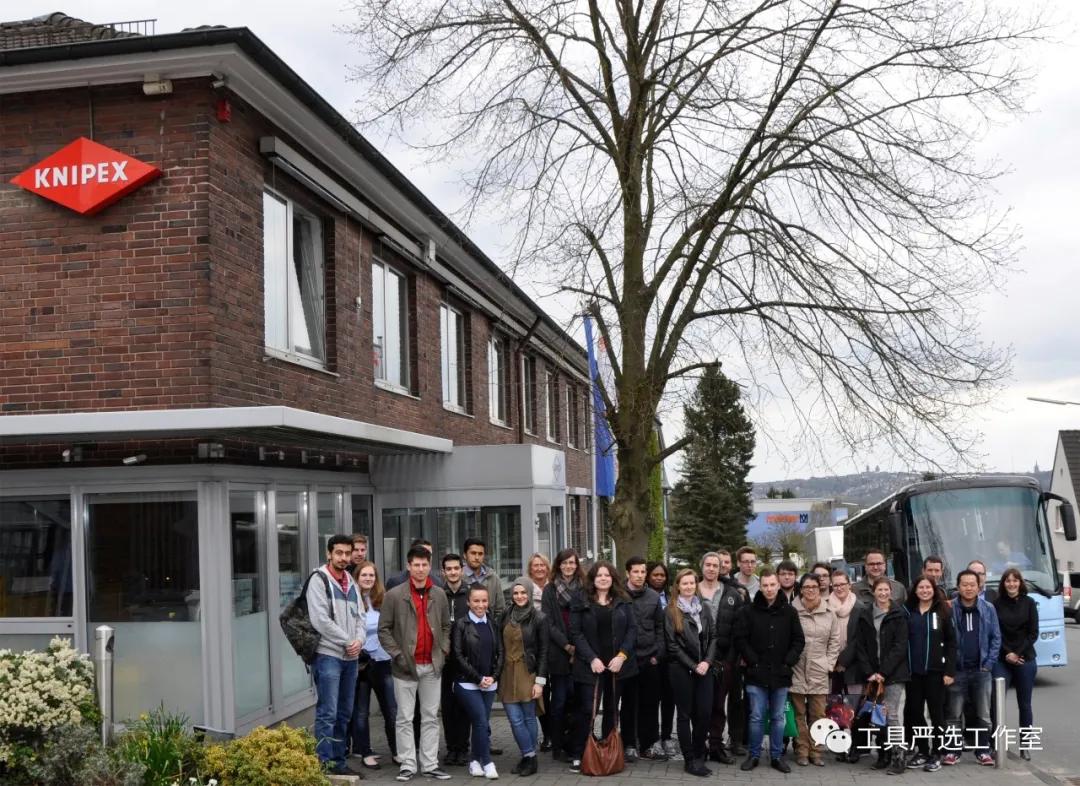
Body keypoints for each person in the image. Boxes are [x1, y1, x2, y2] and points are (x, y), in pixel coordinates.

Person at [378, 544, 452, 781]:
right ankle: (408, 764)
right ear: (408, 566)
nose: (420, 569)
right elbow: (384, 630)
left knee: (431, 717)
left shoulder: (439, 594)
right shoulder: (394, 595)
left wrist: (443, 649)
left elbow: (445, 626)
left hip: (432, 666)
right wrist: (398, 655)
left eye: (424, 565)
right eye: (416, 565)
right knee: (404, 718)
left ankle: (429, 764)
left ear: (430, 567)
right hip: (404, 667)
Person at [568, 560, 637, 773]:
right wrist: (591, 658)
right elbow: (576, 633)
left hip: (617, 667)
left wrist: (622, 656)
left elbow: (632, 630)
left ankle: (608, 752)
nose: (603, 578)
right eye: (599, 575)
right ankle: (579, 752)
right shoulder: (580, 600)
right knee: (587, 710)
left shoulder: (623, 599)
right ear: (593, 579)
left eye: (607, 575)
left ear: (613, 578)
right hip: (590, 667)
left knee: (611, 710)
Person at [734, 568, 804, 773]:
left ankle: (776, 756)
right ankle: (754, 755)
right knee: (756, 717)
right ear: (760, 586)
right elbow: (741, 639)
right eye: (765, 585)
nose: (769, 589)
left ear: (778, 584)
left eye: (772, 584)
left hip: (781, 673)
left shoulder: (790, 612)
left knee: (777, 717)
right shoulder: (748, 611)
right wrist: (752, 661)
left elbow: (798, 640)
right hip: (756, 674)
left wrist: (788, 662)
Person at [307, 535, 365, 776]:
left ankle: (339, 763)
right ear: (329, 553)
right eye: (338, 553)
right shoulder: (319, 580)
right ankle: (323, 765)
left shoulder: (350, 581)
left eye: (347, 553)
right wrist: (347, 640)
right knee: (327, 713)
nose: (343, 557)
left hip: (350, 658)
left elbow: (360, 616)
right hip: (328, 656)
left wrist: (359, 641)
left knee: (344, 714)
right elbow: (320, 620)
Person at [943, 569, 1000, 767]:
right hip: (956, 670)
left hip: (981, 670)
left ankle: (983, 750)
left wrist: (988, 664)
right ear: (958, 587)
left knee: (983, 714)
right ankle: (952, 750)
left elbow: (996, 638)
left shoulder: (988, 608)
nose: (968, 588)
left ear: (979, 587)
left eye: (972, 584)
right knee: (954, 715)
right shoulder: (949, 608)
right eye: (964, 584)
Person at [853, 576, 910, 774]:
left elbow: (900, 646)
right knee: (877, 716)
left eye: (887, 590)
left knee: (891, 714)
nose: (884, 593)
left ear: (891, 592)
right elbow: (860, 646)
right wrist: (870, 672)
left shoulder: (899, 614)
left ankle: (899, 756)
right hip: (872, 674)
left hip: (893, 674)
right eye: (880, 590)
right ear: (874, 592)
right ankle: (883, 755)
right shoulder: (865, 613)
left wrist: (883, 672)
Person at [664, 568, 717, 777]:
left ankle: (698, 753)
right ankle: (690, 759)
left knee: (704, 713)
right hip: (681, 669)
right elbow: (672, 646)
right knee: (684, 714)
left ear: (696, 585)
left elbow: (713, 637)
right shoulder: (670, 611)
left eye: (691, 583)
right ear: (678, 586)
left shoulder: (703, 607)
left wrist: (707, 662)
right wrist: (693, 665)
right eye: (684, 583)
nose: (688, 587)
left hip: (704, 668)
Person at [903, 574, 956, 772]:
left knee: (937, 715)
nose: (924, 591)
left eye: (928, 587)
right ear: (915, 591)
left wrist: (949, 671)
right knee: (915, 712)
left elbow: (952, 643)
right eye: (921, 588)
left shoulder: (943, 611)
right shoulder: (908, 612)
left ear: (934, 590)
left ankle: (938, 752)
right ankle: (923, 750)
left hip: (936, 673)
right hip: (913, 674)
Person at [790, 574, 843, 767]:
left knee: (818, 714)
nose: (811, 590)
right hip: (797, 668)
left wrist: (829, 664)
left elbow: (835, 641)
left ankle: (816, 751)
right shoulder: (792, 611)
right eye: (807, 587)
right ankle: (802, 751)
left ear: (819, 589)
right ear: (801, 589)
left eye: (814, 586)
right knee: (798, 714)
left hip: (819, 669)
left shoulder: (829, 612)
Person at [499, 576, 550, 776]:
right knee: (514, 718)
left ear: (529, 593)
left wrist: (540, 681)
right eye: (515, 593)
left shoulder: (539, 618)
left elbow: (544, 651)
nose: (519, 596)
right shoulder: (505, 615)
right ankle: (529, 755)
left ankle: (528, 757)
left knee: (528, 717)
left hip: (528, 672)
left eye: (523, 592)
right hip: (506, 672)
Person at [452, 585, 503, 779]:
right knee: (481, 720)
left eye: (484, 601)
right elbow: (458, 655)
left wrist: (494, 676)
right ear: (468, 602)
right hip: (467, 683)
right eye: (476, 601)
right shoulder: (461, 624)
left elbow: (501, 653)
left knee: (480, 722)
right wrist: (478, 678)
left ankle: (474, 761)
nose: (480, 605)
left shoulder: (493, 624)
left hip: (490, 682)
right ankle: (487, 761)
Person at [351, 560, 396, 773]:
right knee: (361, 712)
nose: (368, 579)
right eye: (364, 575)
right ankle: (366, 752)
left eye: (371, 575)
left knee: (391, 709)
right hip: (361, 664)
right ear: (357, 578)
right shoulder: (350, 600)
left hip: (383, 661)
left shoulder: (383, 599)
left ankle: (397, 750)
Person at [541, 548, 584, 762]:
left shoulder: (584, 588)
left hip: (581, 653)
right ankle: (557, 745)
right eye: (565, 563)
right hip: (558, 653)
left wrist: (578, 646)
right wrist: (567, 646)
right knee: (558, 702)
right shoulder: (550, 590)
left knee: (577, 702)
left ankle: (574, 744)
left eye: (572, 563)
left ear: (577, 565)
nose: (568, 566)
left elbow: (587, 618)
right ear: (558, 565)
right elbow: (548, 622)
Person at [621, 555, 665, 762]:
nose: (639, 576)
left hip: (649, 659)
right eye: (635, 572)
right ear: (627, 573)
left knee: (650, 704)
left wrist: (657, 654)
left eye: (642, 572)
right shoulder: (618, 595)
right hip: (626, 660)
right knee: (629, 704)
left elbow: (660, 628)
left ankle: (648, 744)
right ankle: (628, 743)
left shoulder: (654, 597)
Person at [992, 568, 1038, 761]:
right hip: (1003, 659)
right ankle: (997, 745)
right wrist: (1007, 653)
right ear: (1003, 584)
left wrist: (1017, 653)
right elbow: (995, 633)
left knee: (1025, 705)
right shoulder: (996, 604)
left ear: (1020, 583)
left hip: (1025, 658)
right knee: (997, 704)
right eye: (1008, 581)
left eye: (1015, 581)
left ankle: (1025, 746)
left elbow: (1032, 633)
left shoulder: (1029, 603)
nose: (1011, 584)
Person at [700, 552, 742, 766]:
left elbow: (739, 630)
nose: (711, 568)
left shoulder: (732, 594)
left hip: (724, 659)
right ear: (702, 567)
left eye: (715, 565)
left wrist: (731, 660)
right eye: (707, 565)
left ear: (720, 568)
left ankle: (716, 746)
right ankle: (700, 746)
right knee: (701, 706)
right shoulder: (691, 591)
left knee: (718, 706)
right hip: (697, 660)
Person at [827, 568, 865, 761]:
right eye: (836, 585)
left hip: (854, 666)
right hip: (831, 667)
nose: (839, 587)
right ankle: (839, 745)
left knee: (853, 708)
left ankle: (856, 747)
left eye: (843, 584)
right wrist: (833, 662)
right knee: (836, 707)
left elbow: (860, 640)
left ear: (849, 585)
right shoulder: (826, 606)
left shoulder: (859, 607)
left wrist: (843, 661)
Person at [440, 553, 472, 766]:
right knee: (447, 705)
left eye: (456, 568)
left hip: (466, 659)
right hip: (443, 660)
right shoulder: (437, 594)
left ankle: (463, 747)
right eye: (448, 569)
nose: (452, 572)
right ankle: (451, 748)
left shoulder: (470, 594)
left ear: (462, 569)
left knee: (464, 705)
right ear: (443, 572)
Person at [646, 561, 679, 759]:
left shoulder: (671, 597)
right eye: (655, 575)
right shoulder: (644, 597)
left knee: (669, 699)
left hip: (672, 656)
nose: (659, 578)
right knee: (651, 700)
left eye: (662, 575)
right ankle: (652, 738)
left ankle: (666, 736)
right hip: (652, 657)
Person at [525, 553, 553, 752]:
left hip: (556, 646)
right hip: (536, 647)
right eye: (535, 565)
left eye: (542, 565)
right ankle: (547, 734)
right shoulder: (525, 589)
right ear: (530, 569)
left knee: (558, 693)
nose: (539, 569)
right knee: (542, 693)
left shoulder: (554, 588)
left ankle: (558, 732)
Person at [463, 537, 505, 616]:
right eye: (473, 553)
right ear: (465, 555)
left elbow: (500, 609)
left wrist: (493, 626)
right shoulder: (458, 577)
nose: (477, 557)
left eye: (480, 554)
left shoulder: (493, 577)